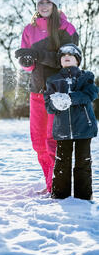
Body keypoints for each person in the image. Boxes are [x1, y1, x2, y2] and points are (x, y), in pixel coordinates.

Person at [15, 0, 79, 193]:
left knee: (53, 140)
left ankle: (57, 185)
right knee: (38, 141)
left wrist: (38, 55)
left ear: (54, 5)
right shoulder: (29, 29)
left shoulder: (66, 29)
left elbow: (69, 61)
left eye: (48, 3)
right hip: (36, 91)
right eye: (40, 2)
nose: (43, 6)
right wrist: (26, 61)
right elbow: (28, 65)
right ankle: (50, 183)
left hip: (58, 92)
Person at [44, 44, 98, 200]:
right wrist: (56, 103)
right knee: (62, 163)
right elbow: (48, 106)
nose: (66, 56)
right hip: (63, 129)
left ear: (78, 60)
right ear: (60, 61)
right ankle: (60, 195)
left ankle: (83, 196)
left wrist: (70, 98)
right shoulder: (53, 80)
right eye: (63, 54)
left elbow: (91, 93)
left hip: (84, 127)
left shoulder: (86, 76)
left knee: (83, 162)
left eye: (71, 54)